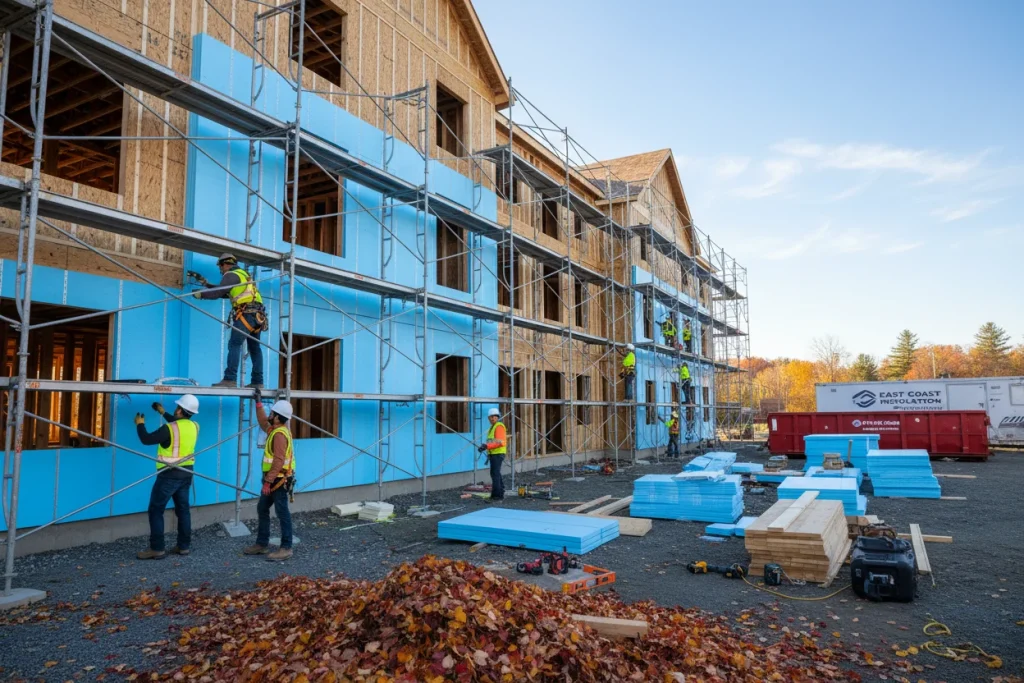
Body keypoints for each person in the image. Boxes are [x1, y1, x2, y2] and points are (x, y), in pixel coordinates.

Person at [135, 395, 200, 560]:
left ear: (179, 410)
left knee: (156, 510)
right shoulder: (195, 426)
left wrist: (140, 424)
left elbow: (146, 439)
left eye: (176, 408)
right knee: (183, 510)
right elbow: (179, 425)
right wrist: (162, 412)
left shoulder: (168, 428)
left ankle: (157, 548)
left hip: (169, 475)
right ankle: (183, 546)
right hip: (187, 473)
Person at [194, 253, 267, 389]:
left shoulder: (230, 275)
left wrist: (200, 294)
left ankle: (230, 379)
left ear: (224, 264)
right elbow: (225, 292)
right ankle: (258, 381)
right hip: (257, 316)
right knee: (255, 348)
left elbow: (218, 293)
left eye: (220, 267)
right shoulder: (243, 275)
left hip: (246, 314)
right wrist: (206, 284)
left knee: (234, 344)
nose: (220, 271)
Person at [244, 390, 295, 561]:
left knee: (282, 513)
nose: (269, 415)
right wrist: (258, 403)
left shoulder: (279, 435)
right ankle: (261, 544)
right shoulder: (274, 429)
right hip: (274, 479)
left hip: (278, 480)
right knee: (262, 508)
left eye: (272, 413)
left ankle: (286, 547)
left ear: (278, 417)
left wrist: (267, 482)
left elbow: (279, 461)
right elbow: (262, 422)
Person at [478, 408, 507, 500]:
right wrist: (485, 446)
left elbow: (499, 442)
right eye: (491, 417)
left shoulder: (498, 426)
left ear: (497, 417)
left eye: (494, 416)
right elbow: (493, 441)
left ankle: (497, 495)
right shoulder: (493, 427)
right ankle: (500, 491)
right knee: (496, 473)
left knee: (495, 474)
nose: (492, 418)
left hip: (498, 454)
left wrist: (486, 446)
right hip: (494, 454)